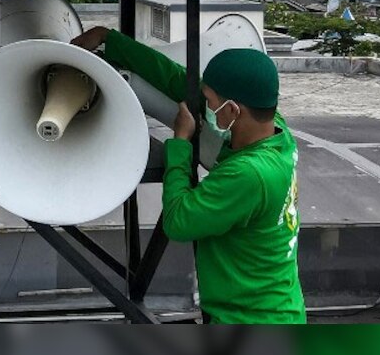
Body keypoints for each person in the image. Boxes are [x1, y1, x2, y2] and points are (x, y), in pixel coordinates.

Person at [73, 26, 304, 323]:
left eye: (209, 101)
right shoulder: (276, 131)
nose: (203, 105)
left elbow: (178, 221)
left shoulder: (249, 174)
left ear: (233, 110)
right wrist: (110, 39)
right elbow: (177, 81)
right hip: (275, 306)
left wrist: (181, 142)